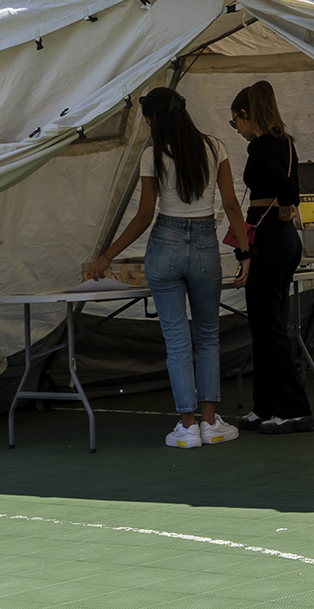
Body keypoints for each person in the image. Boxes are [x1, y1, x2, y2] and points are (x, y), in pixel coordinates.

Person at [86, 87, 250, 448]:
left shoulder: (153, 155)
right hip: (205, 245)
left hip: (165, 245)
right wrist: (245, 252)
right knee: (208, 336)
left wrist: (106, 256)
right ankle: (211, 423)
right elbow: (231, 205)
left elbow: (145, 216)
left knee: (176, 340)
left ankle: (187, 428)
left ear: (154, 119)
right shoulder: (215, 147)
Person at [228, 81, 314, 435]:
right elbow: (293, 185)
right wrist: (286, 208)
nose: (237, 129)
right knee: (267, 324)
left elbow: (288, 188)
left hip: (268, 239)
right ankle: (265, 406)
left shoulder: (261, 146)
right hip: (285, 239)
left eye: (235, 122)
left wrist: (285, 204)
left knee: (269, 327)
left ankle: (293, 409)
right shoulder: (286, 143)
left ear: (245, 114)